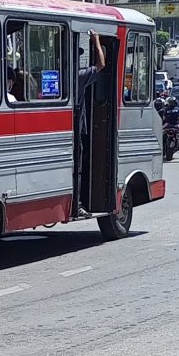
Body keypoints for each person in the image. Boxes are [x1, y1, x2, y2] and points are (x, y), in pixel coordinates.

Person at [75, 30, 106, 218]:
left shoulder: (61, 75)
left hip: (70, 126)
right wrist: (96, 41)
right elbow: (101, 64)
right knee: (77, 166)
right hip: (75, 127)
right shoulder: (78, 76)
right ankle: (77, 203)